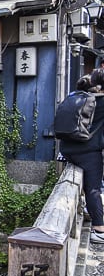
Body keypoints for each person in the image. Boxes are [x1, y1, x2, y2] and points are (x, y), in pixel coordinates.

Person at [59, 70, 104, 244]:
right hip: (88, 152)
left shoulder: (75, 98)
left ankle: (87, 210)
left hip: (67, 150)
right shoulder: (100, 102)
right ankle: (99, 229)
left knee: (86, 187)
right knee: (93, 190)